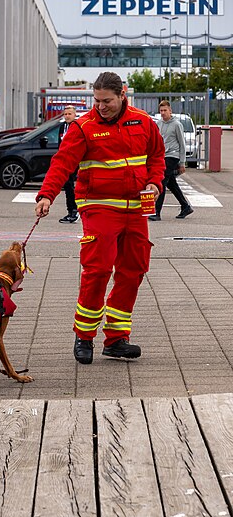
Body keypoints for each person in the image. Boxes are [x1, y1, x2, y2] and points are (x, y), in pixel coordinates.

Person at [35, 72, 165, 365]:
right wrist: (47, 195)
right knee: (98, 270)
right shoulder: (83, 127)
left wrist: (155, 183)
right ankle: (84, 336)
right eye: (97, 101)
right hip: (99, 207)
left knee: (133, 270)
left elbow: (156, 157)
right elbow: (62, 163)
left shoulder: (143, 122)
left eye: (107, 101)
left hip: (136, 210)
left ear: (122, 95)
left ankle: (117, 339)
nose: (101, 106)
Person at [149, 100, 194, 221]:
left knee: (162, 182)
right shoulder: (159, 124)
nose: (163, 113)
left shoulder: (177, 124)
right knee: (171, 183)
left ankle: (156, 212)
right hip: (162, 156)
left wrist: (182, 162)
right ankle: (185, 206)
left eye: (165, 110)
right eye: (161, 111)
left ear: (170, 111)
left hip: (172, 156)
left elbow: (182, 144)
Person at [58, 106, 80, 224]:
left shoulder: (77, 126)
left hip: (74, 160)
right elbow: (60, 144)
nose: (67, 116)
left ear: (74, 115)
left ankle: (75, 211)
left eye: (69, 114)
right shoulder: (62, 126)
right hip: (64, 160)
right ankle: (70, 210)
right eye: (65, 114)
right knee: (67, 186)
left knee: (71, 186)